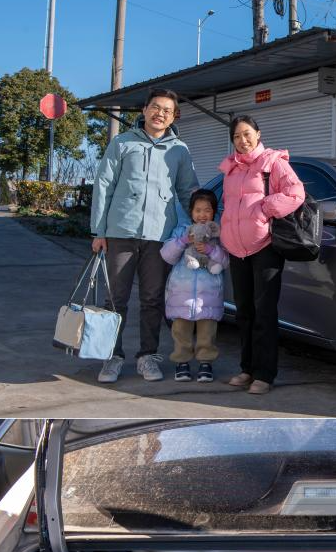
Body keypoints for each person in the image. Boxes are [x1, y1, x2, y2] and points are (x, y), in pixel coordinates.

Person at [90, 87, 199, 383]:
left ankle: (147, 357)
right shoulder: (122, 143)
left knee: (152, 299)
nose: (160, 113)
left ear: (173, 116)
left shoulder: (179, 150)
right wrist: (99, 231)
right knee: (115, 299)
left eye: (167, 110)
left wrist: (200, 224)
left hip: (159, 236)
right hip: (120, 232)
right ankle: (111, 357)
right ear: (144, 110)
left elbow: (188, 190)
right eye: (155, 107)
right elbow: (104, 185)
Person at [218, 115, 305, 395]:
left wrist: (266, 208)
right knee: (243, 312)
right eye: (236, 136)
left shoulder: (273, 162)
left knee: (264, 312)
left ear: (258, 134)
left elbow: (296, 193)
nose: (242, 140)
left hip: (264, 247)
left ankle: (264, 374)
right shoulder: (231, 168)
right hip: (237, 250)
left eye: (247, 134)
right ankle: (247, 369)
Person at [160, 189, 228, 383]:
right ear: (191, 211)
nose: (202, 215)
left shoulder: (217, 233)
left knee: (207, 331)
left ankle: (206, 362)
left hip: (209, 294)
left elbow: (225, 261)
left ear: (214, 212)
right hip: (181, 293)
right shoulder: (182, 230)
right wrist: (183, 241)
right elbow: (166, 255)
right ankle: (182, 362)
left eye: (207, 210)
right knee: (181, 331)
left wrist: (211, 250)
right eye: (198, 210)